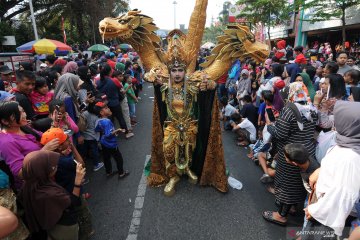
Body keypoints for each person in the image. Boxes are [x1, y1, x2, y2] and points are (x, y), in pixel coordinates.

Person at [263, 82, 318, 226]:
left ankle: (281, 215)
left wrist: (269, 125)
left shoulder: (289, 109)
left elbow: (280, 134)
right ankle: (292, 206)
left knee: (287, 183)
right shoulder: (311, 107)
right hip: (306, 151)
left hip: (290, 152)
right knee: (298, 182)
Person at [305, 101, 360, 239]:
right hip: (324, 207)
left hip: (327, 216)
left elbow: (343, 194)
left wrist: (315, 211)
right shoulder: (347, 143)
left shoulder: (351, 157)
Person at [18, 150, 85, 240]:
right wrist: (77, 182)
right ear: (43, 171)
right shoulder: (48, 194)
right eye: (52, 166)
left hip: (50, 226)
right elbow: (73, 203)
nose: (56, 166)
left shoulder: (30, 185)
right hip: (64, 227)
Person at [0, 101, 58, 191]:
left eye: (22, 111)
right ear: (5, 121)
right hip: (35, 187)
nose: (24, 115)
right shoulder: (6, 142)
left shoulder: (22, 126)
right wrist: (43, 151)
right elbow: (20, 173)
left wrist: (54, 124)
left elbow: (43, 137)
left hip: (46, 176)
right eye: (17, 114)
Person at [94, 101, 130, 179]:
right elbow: (108, 134)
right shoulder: (107, 121)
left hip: (103, 142)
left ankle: (108, 172)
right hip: (110, 144)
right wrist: (118, 130)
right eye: (106, 108)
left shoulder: (99, 120)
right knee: (118, 158)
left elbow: (96, 129)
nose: (109, 109)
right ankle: (121, 173)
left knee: (106, 158)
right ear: (101, 112)